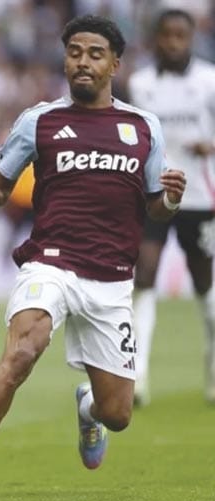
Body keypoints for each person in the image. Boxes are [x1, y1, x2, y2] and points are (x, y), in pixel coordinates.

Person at [0, 15, 186, 501]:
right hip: (50, 263)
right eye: (74, 52)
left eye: (95, 54)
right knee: (21, 353)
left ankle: (88, 408)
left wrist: (172, 199)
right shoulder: (40, 121)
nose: (83, 62)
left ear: (115, 64)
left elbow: (154, 205)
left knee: (117, 414)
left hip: (112, 279)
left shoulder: (143, 127)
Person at [127, 8, 215, 406]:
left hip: (199, 197)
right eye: (167, 35)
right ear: (156, 39)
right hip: (153, 195)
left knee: (204, 285)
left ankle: (212, 370)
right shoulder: (140, 84)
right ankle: (137, 377)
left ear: (191, 38)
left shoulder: (209, 81)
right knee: (144, 274)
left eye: (181, 35)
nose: (173, 42)